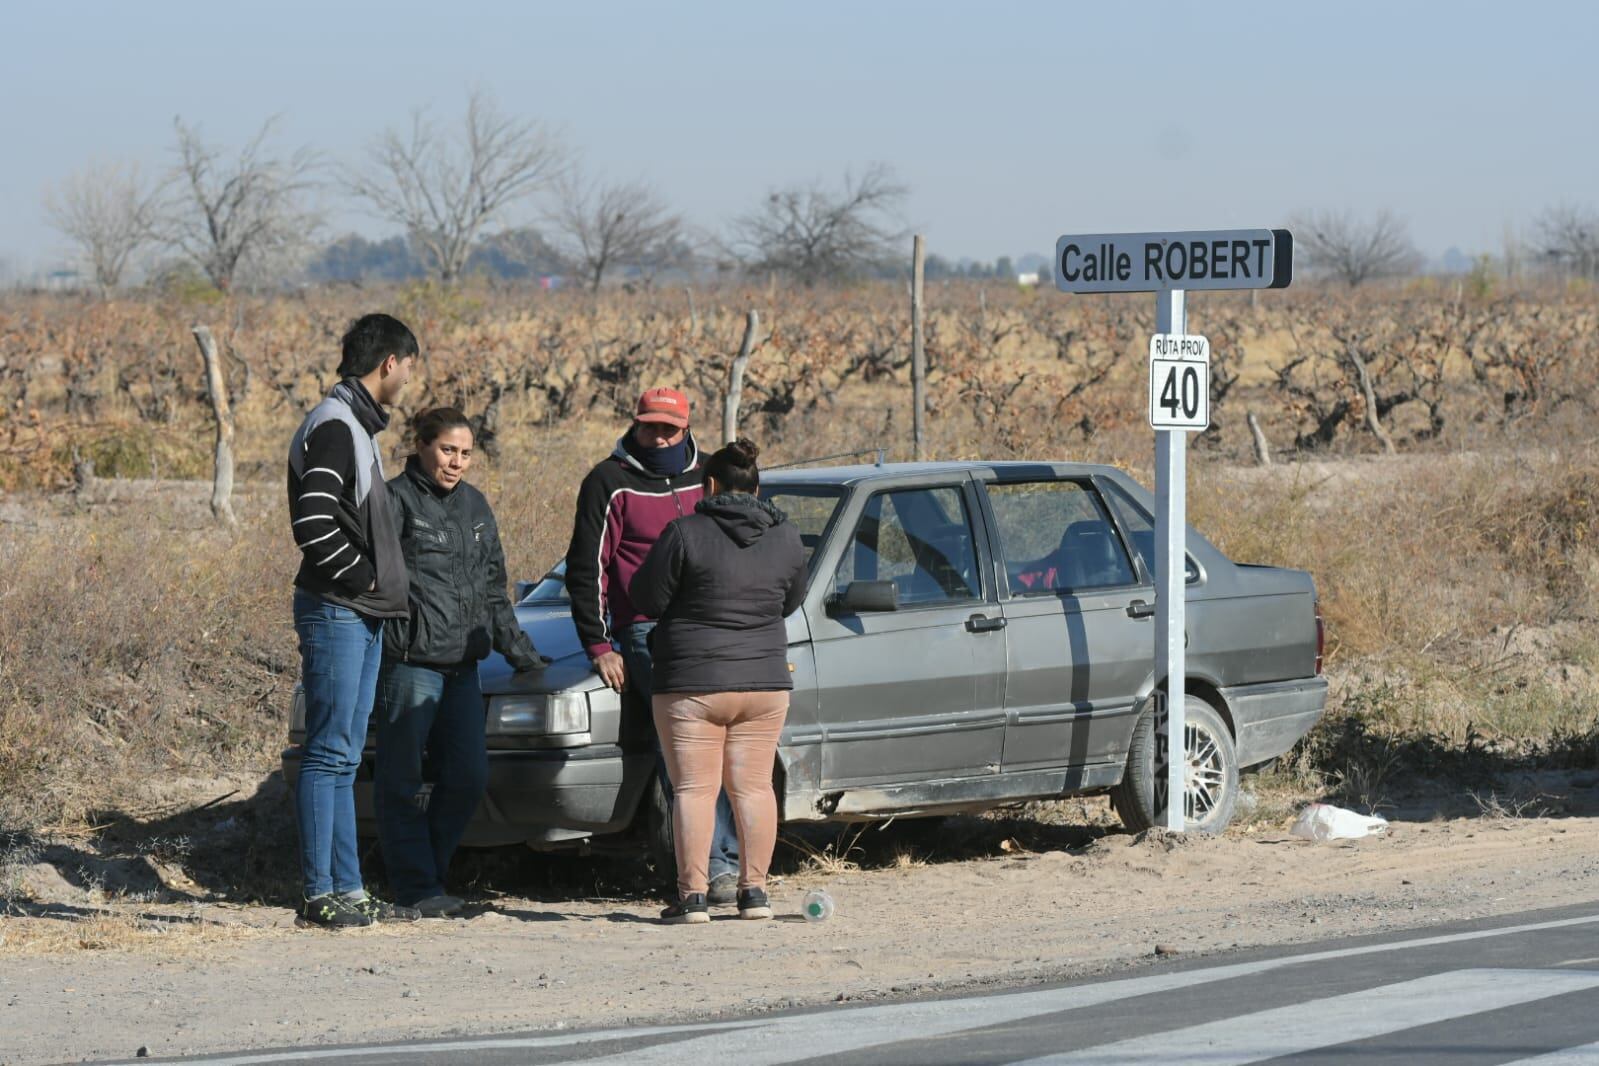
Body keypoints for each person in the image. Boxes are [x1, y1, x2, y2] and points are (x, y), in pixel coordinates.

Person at [565, 388, 743, 902]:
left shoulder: (710, 474)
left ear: (687, 428)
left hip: (711, 627)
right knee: (689, 742)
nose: (658, 436)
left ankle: (713, 867)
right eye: (649, 426)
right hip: (645, 629)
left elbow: (740, 540)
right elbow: (588, 566)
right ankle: (712, 868)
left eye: (668, 427)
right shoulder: (609, 482)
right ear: (634, 424)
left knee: (720, 744)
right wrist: (599, 645)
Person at [373, 408, 551, 918]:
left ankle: (427, 875)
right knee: (401, 781)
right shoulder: (394, 499)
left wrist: (521, 655)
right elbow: (374, 580)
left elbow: (494, 588)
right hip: (410, 664)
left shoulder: (475, 505)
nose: (457, 462)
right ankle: (416, 888)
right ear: (422, 445)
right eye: (447, 450)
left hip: (463, 670)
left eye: (466, 453)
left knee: (469, 776)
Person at [628, 438, 805, 923]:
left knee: (693, 791)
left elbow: (647, 597)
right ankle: (755, 894)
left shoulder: (685, 532)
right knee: (753, 789)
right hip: (765, 682)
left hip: (692, 681)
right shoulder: (787, 537)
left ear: (708, 485)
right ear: (758, 485)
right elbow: (790, 601)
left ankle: (693, 899)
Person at [287, 313, 419, 929]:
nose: (410, 380)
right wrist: (365, 579)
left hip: (358, 613)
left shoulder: (356, 424)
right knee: (328, 752)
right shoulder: (337, 425)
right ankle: (320, 893)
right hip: (339, 610)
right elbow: (313, 524)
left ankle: (349, 891)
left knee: (342, 756)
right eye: (409, 367)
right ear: (390, 362)